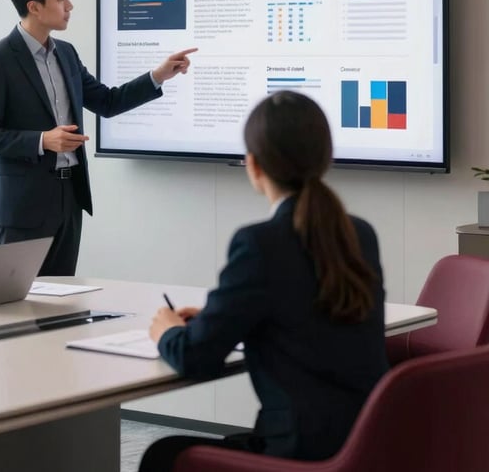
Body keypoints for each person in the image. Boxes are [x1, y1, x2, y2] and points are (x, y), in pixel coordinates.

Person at [140, 91, 388, 469]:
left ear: (253, 165)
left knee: (163, 455)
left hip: (298, 454)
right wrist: (222, 315)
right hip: (367, 442)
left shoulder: (259, 243)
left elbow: (195, 358)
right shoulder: (360, 233)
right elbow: (302, 311)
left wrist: (167, 332)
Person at [0, 0, 196, 276]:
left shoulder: (66, 53)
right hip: (22, 207)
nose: (70, 5)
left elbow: (107, 101)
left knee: (60, 303)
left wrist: (157, 76)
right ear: (34, 7)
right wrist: (43, 140)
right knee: (17, 304)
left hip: (69, 197)